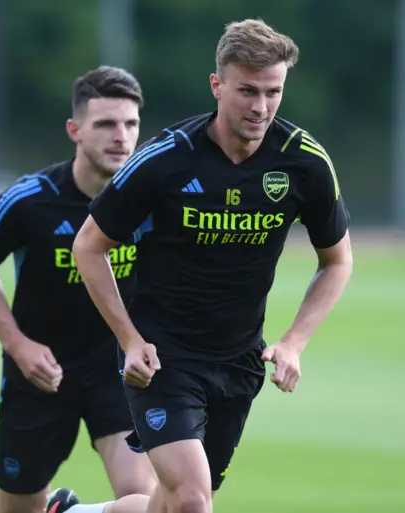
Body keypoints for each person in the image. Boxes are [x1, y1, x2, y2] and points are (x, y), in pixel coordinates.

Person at [49, 18, 354, 513]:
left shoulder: (305, 163)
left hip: (238, 360)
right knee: (192, 500)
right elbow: (89, 245)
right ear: (217, 85)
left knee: (174, 503)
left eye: (273, 92)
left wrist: (295, 342)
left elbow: (337, 260)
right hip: (162, 358)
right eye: (247, 91)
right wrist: (129, 340)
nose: (261, 107)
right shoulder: (166, 159)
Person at [0, 65, 157, 513]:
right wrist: (18, 345)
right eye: (105, 124)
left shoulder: (151, 199)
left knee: (145, 502)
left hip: (117, 369)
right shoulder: (31, 199)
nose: (120, 137)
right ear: (75, 130)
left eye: (130, 124)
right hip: (40, 376)